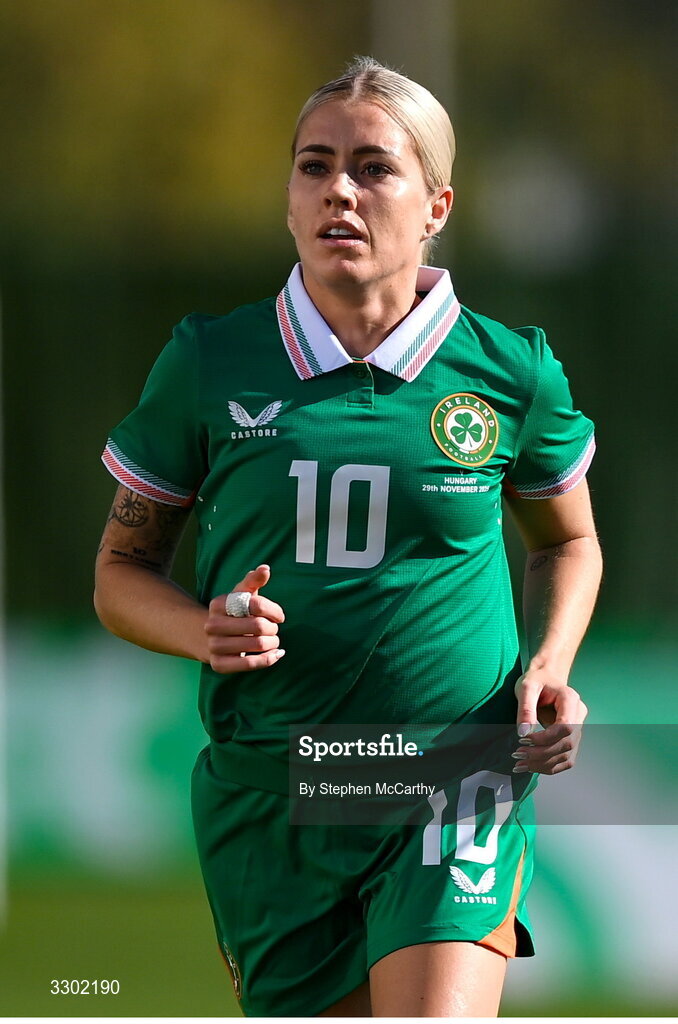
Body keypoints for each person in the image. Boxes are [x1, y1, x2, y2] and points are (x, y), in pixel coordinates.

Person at [94, 56, 602, 1017]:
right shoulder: (209, 361)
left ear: (436, 205)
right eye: (314, 165)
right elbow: (120, 573)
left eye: (374, 168)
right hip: (273, 796)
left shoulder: (511, 371)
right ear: (289, 199)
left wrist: (549, 664)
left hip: (454, 778)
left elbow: (570, 542)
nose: (340, 189)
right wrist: (203, 627)